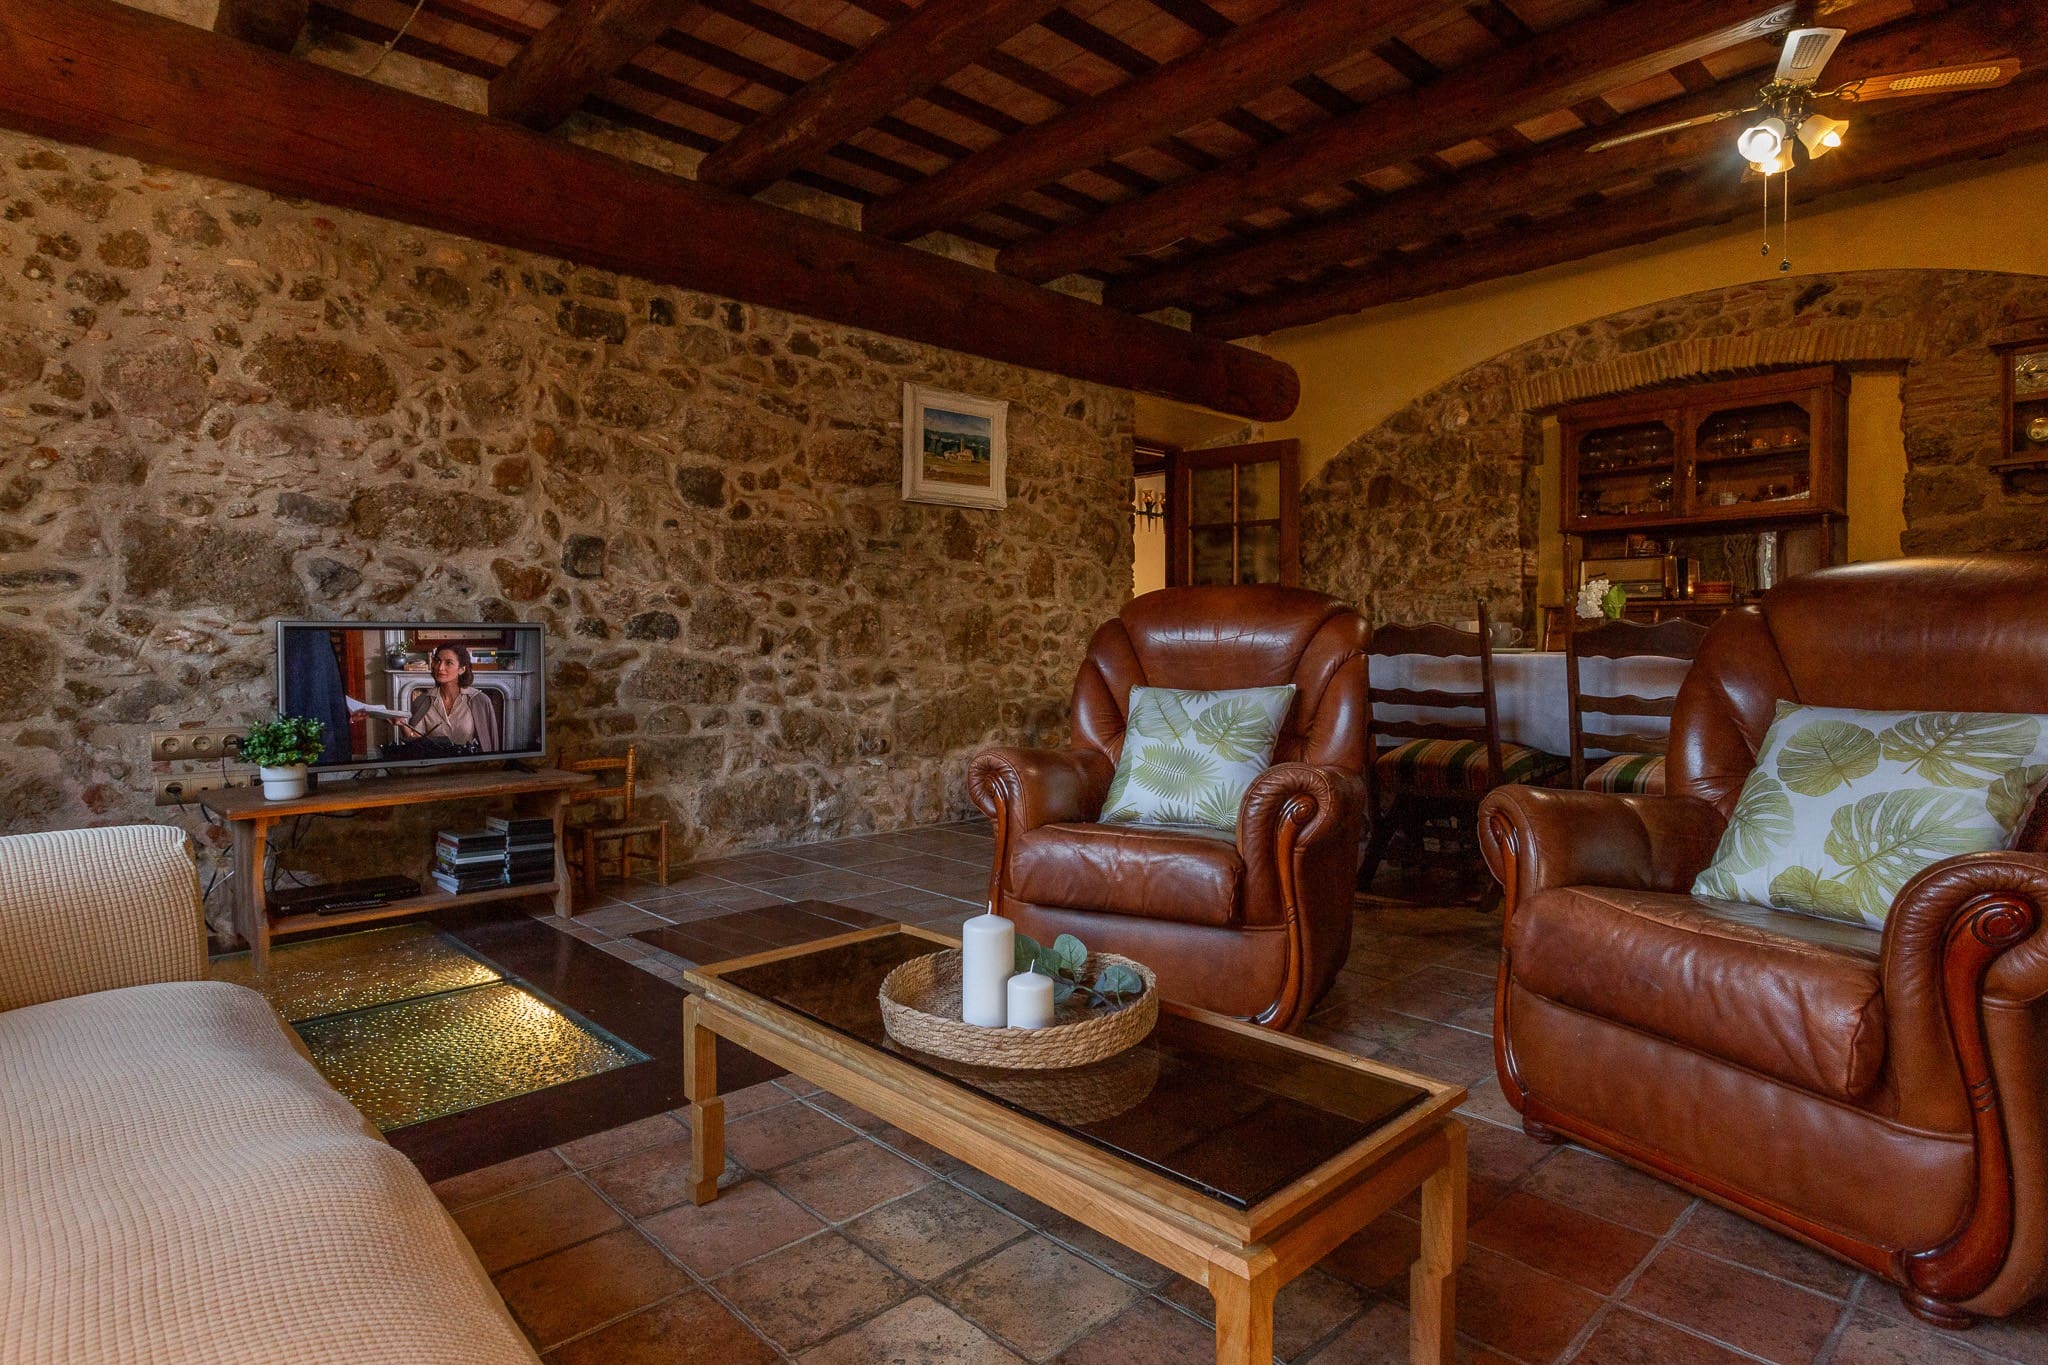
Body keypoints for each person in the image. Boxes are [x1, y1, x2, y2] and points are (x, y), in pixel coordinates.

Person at [399, 644, 501, 752]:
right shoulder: (423, 701)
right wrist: (401, 723)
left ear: (461, 669)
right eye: (438, 661)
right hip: (434, 761)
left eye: (448, 663)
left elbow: (488, 746)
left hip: (468, 761)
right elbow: (416, 742)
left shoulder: (480, 701)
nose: (440, 667)